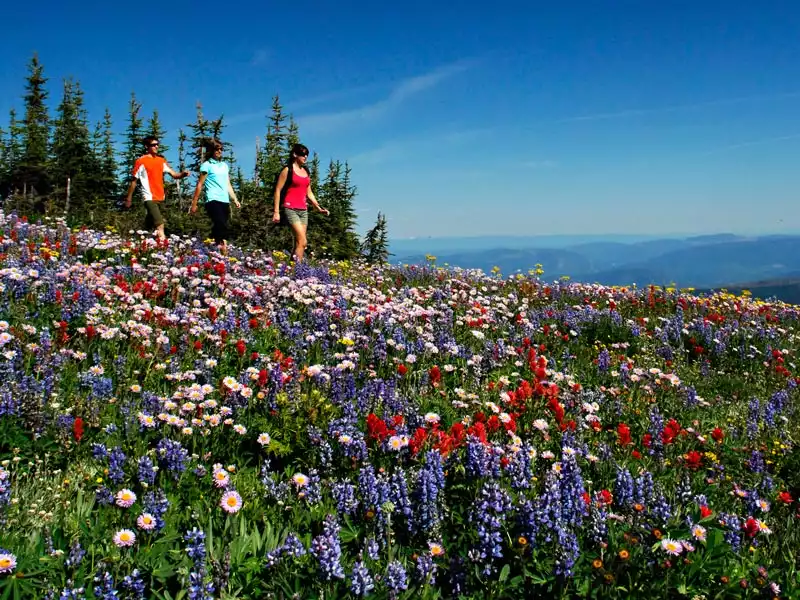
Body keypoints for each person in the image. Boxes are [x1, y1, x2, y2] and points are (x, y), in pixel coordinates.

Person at [125, 136, 190, 241]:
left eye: (157, 144)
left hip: (160, 197)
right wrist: (129, 198)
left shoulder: (161, 160)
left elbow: (174, 174)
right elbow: (134, 181)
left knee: (148, 227)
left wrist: (183, 174)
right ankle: (164, 246)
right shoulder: (141, 161)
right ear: (147, 146)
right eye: (153, 145)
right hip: (149, 197)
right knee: (160, 224)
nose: (156, 146)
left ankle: (138, 242)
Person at [272, 143, 329, 262]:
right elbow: (278, 190)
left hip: (303, 210)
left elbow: (309, 192)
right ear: (295, 155)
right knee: (303, 241)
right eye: (303, 155)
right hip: (290, 208)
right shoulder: (288, 170)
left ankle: (290, 272)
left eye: (306, 155)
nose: (305, 157)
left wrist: (318, 207)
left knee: (299, 243)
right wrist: (276, 212)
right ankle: (297, 271)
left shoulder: (306, 171)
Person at [190, 139, 241, 255]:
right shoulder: (206, 165)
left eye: (221, 149)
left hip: (224, 200)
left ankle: (214, 249)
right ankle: (223, 250)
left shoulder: (224, 166)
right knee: (220, 223)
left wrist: (235, 199)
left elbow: (228, 184)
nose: (219, 151)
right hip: (212, 199)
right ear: (211, 150)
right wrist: (194, 203)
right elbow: (200, 184)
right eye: (217, 149)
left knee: (222, 226)